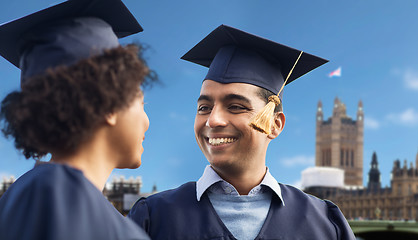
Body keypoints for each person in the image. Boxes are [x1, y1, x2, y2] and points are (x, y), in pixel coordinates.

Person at [128, 25, 355, 240]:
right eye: (204, 108)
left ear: (275, 124)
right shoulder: (152, 218)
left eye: (236, 106)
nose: (213, 120)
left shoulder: (324, 223)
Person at [0, 0, 154, 239]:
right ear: (108, 103)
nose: (146, 121)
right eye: (141, 103)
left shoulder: (47, 192)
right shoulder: (53, 193)